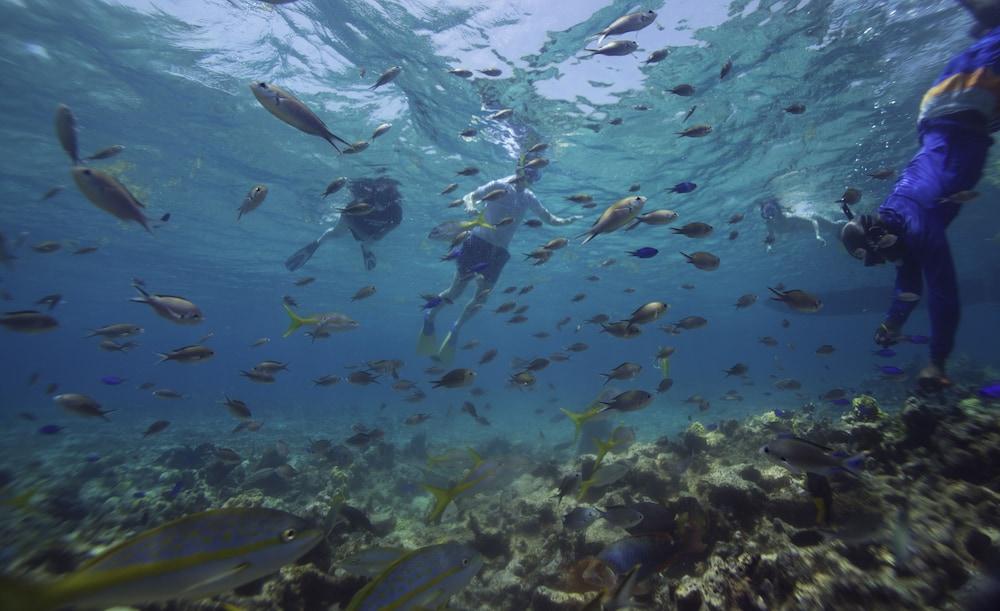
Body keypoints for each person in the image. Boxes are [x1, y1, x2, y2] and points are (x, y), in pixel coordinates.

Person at [840, 1, 999, 392]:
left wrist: (937, 360)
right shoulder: (899, 225)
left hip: (964, 101)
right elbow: (909, 280)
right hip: (938, 114)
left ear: (877, 240)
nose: (885, 263)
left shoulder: (919, 224)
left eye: (877, 258)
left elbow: (944, 290)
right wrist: (893, 322)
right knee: (987, 28)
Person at [417, 154, 581, 364]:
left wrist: (569, 220)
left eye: (535, 175)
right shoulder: (498, 185)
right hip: (477, 242)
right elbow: (470, 196)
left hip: (499, 253)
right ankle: (430, 316)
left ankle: (456, 327)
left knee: (481, 298)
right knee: (456, 291)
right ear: (519, 168)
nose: (530, 177)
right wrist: (469, 206)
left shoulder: (529, 197)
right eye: (529, 171)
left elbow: (550, 219)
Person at [285, 177, 402, 272]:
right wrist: (361, 234)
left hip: (372, 228)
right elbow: (346, 215)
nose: (380, 205)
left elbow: (395, 223)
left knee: (371, 241)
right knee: (337, 233)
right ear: (375, 195)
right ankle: (317, 244)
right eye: (379, 199)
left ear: (391, 200)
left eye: (385, 201)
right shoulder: (363, 200)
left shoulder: (396, 210)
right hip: (355, 220)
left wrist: (382, 234)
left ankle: (366, 249)